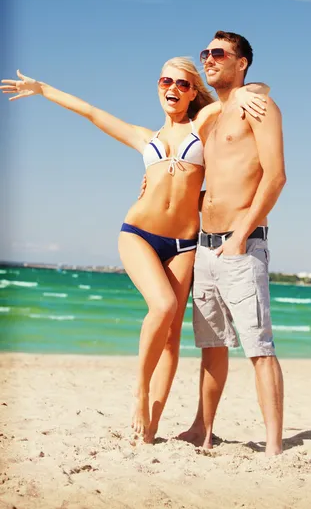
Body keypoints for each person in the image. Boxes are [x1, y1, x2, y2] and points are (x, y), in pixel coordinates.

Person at [1, 59, 268, 443]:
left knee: (172, 335)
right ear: (158, 86)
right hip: (139, 234)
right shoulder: (145, 137)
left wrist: (242, 90)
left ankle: (152, 426)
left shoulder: (204, 124)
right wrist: (43, 90)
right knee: (162, 307)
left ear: (193, 92)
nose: (172, 87)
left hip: (184, 244)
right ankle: (140, 391)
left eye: (182, 83)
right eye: (165, 80)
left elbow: (258, 92)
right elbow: (92, 113)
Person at [176, 31, 286, 456]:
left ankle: (274, 447)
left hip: (240, 245)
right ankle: (202, 430)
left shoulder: (259, 106)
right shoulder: (213, 115)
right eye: (205, 53)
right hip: (204, 246)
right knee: (211, 346)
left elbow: (275, 176)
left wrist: (240, 235)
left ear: (241, 63)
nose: (209, 58)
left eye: (219, 53)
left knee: (259, 348)